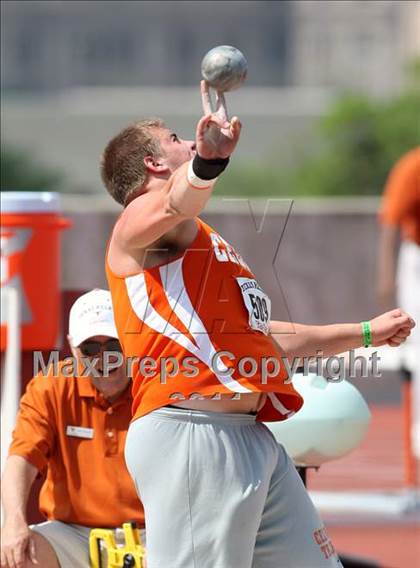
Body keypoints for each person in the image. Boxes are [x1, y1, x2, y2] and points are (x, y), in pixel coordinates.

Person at [101, 81, 415, 568]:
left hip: (251, 437)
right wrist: (206, 164)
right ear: (153, 164)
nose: (188, 142)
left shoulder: (204, 244)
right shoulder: (137, 226)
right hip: (192, 432)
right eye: (176, 139)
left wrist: (367, 332)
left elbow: (263, 342)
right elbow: (172, 205)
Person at [1, 289, 144, 568]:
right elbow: (22, 458)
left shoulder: (155, 388)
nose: (104, 359)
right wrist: (13, 522)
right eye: (90, 349)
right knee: (12, 555)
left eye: (113, 346)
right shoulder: (50, 386)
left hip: (150, 534)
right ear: (72, 347)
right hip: (70, 533)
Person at [377, 146, 420, 459]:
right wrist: (386, 277)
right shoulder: (412, 167)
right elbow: (391, 224)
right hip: (417, 257)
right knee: (418, 349)